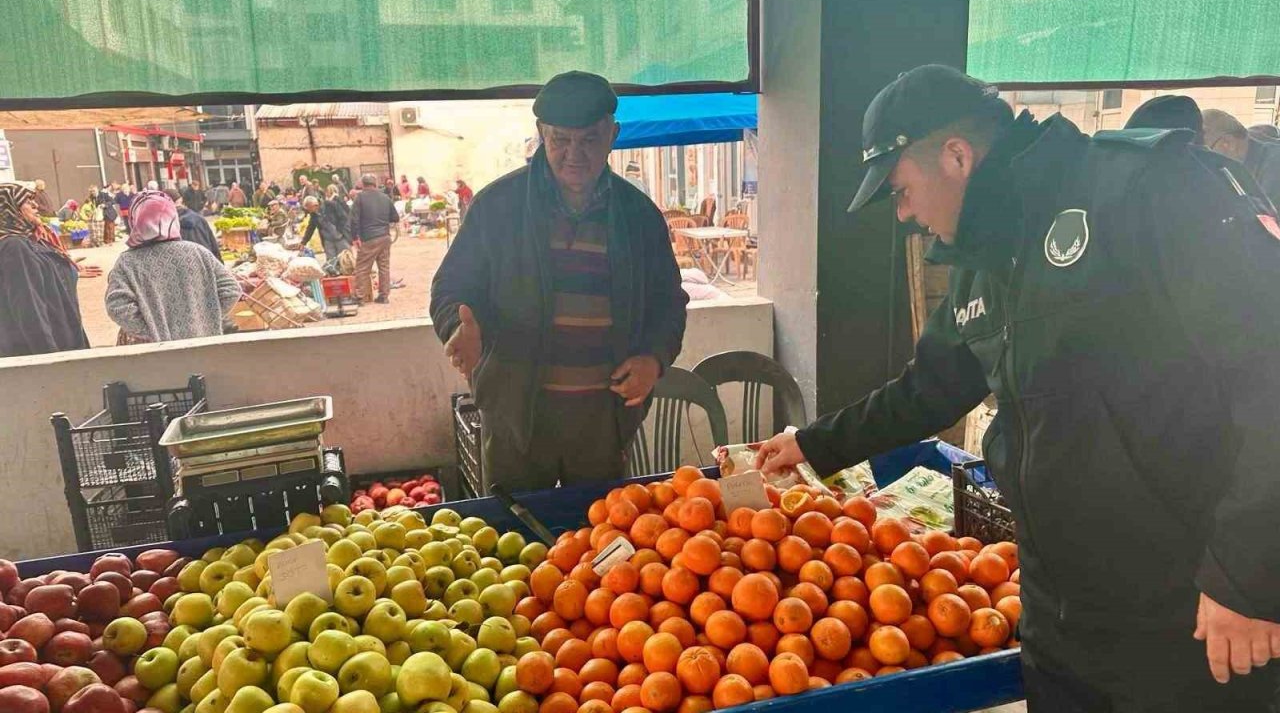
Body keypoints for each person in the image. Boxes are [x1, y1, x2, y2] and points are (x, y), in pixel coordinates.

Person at [753, 64, 1280, 711]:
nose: (905, 214)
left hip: (1188, 612)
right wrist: (813, 443)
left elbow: (1269, 370)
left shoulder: (1146, 190)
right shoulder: (985, 256)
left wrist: (1249, 578)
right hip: (1061, 616)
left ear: (956, 156)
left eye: (901, 190)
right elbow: (931, 388)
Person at [430, 71, 689, 492]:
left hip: (602, 421)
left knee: (600, 541)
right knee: (514, 540)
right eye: (561, 140)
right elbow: (450, 288)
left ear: (612, 133)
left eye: (588, 140)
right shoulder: (497, 207)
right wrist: (457, 326)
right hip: (517, 415)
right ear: (541, 134)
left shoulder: (639, 216)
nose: (575, 154)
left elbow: (669, 303)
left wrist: (654, 359)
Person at [105, 190, 240, 344]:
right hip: (200, 346)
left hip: (154, 354)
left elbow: (118, 308)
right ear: (173, 217)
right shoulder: (198, 252)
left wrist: (154, 329)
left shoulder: (128, 262)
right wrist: (205, 318)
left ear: (135, 220)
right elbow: (231, 290)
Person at [1125, 96, 1276, 211]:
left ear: (1227, 144)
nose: (1200, 159)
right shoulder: (1247, 164)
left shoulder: (1274, 169)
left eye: (1205, 149)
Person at [0, 183, 91, 357]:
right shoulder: (14, 247)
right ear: (8, 209)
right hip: (49, 349)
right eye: (27, 201)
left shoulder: (29, 240)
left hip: (61, 339)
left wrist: (66, 269)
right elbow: (30, 311)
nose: (36, 205)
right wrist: (51, 361)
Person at [1202, 109, 1280, 209]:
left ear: (1228, 143)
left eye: (1206, 151)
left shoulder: (1274, 166)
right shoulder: (1243, 165)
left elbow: (1268, 219)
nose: (1204, 159)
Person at [349, 174, 399, 303]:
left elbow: (353, 220)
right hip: (385, 236)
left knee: (362, 267)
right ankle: (384, 296)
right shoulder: (385, 197)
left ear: (362, 185)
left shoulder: (359, 198)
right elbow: (395, 218)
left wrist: (355, 237)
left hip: (369, 237)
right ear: (375, 184)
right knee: (384, 267)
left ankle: (359, 296)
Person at [165, 188, 221, 260]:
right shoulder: (199, 219)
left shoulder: (166, 225)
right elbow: (213, 245)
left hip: (187, 264)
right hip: (206, 260)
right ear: (180, 200)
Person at [297, 195, 350, 261]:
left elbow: (344, 218)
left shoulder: (331, 205)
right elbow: (310, 228)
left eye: (309, 209)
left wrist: (341, 231)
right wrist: (303, 242)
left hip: (341, 237)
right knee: (331, 261)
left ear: (315, 205)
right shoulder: (313, 214)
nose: (309, 211)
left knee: (346, 259)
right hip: (328, 240)